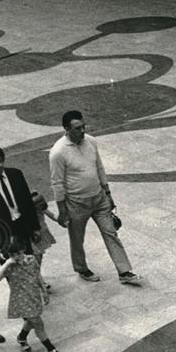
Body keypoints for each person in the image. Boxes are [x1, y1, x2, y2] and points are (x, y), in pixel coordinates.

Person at [49, 110, 140, 285]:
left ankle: (124, 271)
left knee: (111, 233)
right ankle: (81, 268)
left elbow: (99, 168)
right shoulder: (58, 152)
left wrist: (108, 194)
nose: (82, 131)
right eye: (77, 128)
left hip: (98, 198)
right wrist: (62, 211)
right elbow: (57, 183)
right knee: (77, 239)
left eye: (83, 126)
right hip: (76, 203)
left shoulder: (91, 141)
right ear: (67, 129)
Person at [0, 237, 63, 352]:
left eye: (19, 253)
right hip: (21, 300)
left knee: (32, 321)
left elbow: (37, 275)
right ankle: (51, 349)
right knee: (38, 324)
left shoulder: (31, 260)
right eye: (13, 254)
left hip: (34, 296)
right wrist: (7, 262)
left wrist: (44, 291)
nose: (17, 257)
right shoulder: (9, 266)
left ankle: (21, 337)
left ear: (23, 250)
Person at [0, 146, 39, 256]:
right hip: (5, 230)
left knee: (30, 257)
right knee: (11, 264)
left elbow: (28, 203)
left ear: (3, 161)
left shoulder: (16, 174)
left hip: (22, 224)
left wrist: (35, 228)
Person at [30, 190, 57, 289]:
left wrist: (61, 220)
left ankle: (37, 277)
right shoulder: (30, 214)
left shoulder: (42, 209)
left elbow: (52, 215)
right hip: (35, 237)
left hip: (42, 234)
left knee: (39, 257)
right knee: (36, 258)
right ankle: (38, 280)